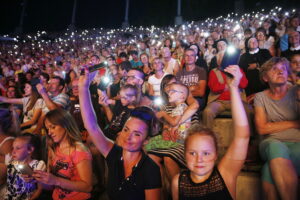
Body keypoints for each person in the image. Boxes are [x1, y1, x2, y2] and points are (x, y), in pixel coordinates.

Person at [78, 67, 162, 200]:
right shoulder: (114, 154)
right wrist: (83, 87)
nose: (127, 137)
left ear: (146, 140)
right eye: (126, 130)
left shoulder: (150, 169)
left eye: (137, 134)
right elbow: (91, 126)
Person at [172, 65, 250, 200]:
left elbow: (242, 136)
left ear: (215, 155)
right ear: (184, 154)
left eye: (206, 153)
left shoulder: (225, 175)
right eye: (192, 153)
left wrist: (233, 88)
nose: (199, 159)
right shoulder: (177, 182)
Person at [254, 57, 300, 200]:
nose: (280, 71)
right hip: (271, 142)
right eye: (274, 69)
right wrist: (294, 123)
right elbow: (261, 128)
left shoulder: (297, 92)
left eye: (284, 69)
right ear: (265, 77)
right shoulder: (260, 97)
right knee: (275, 147)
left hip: (297, 143)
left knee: (268, 169)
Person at [32, 109, 93, 200]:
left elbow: (88, 187)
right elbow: (51, 186)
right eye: (48, 129)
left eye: (53, 127)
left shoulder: (79, 150)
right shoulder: (53, 148)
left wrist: (56, 180)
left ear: (65, 125)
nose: (49, 132)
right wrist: (36, 180)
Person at [5, 133, 46, 200]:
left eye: (18, 148)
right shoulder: (11, 162)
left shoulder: (38, 165)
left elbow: (39, 189)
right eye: (13, 148)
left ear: (30, 150)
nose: (13, 151)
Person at [239, 37, 272, 102]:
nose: (254, 43)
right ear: (247, 45)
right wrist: (247, 67)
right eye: (251, 42)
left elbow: (270, 62)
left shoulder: (265, 52)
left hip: (264, 83)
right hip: (250, 85)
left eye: (255, 41)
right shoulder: (244, 56)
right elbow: (241, 67)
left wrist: (257, 65)